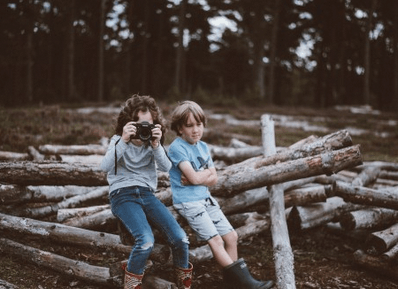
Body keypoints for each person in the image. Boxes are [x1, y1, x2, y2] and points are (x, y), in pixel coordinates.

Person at [168, 100, 274, 289]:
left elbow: (213, 178)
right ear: (179, 128)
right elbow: (193, 178)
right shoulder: (177, 148)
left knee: (231, 236)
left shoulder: (203, 147)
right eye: (189, 125)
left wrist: (202, 177)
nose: (195, 130)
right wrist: (203, 175)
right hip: (189, 202)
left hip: (206, 198)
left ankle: (232, 283)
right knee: (216, 240)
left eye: (199, 125)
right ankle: (245, 282)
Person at [100, 95, 193, 289]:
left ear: (154, 125)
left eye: (148, 125)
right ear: (128, 123)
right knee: (145, 241)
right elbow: (105, 166)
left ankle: (183, 283)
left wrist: (156, 144)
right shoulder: (118, 140)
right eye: (138, 124)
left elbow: (167, 167)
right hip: (122, 195)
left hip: (146, 194)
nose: (143, 129)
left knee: (181, 238)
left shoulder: (152, 144)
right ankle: (132, 284)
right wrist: (124, 140)